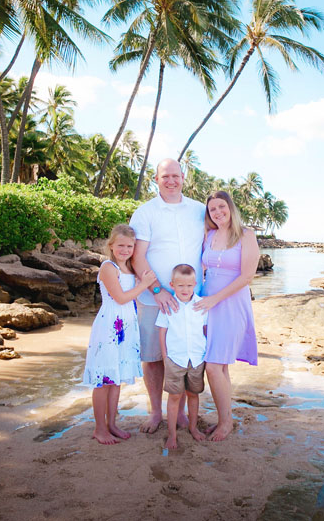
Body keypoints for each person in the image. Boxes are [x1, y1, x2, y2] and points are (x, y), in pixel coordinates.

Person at [130, 159, 206, 433]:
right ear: (156, 179)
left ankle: (182, 412)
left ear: (183, 178)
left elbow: (222, 235)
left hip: (191, 301)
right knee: (153, 358)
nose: (171, 181)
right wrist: (158, 290)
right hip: (154, 299)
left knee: (184, 356)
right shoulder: (145, 213)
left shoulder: (199, 210)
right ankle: (154, 412)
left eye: (176, 176)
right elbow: (137, 258)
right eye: (165, 177)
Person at [193, 191, 259, 441]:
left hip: (231, 305)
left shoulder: (246, 235)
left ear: (231, 207)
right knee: (219, 366)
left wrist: (214, 300)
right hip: (208, 304)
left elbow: (247, 276)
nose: (218, 212)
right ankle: (225, 416)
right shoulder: (208, 235)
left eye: (222, 206)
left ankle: (226, 422)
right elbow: (201, 268)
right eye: (212, 210)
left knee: (212, 366)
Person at [80, 224, 155, 444]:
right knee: (103, 379)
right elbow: (121, 298)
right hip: (110, 328)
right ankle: (99, 428)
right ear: (111, 245)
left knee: (115, 379)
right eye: (121, 245)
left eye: (130, 246)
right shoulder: (108, 267)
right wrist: (145, 284)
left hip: (127, 328)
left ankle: (112, 424)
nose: (125, 249)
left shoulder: (130, 268)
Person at [155, 264, 208, 450]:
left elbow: (205, 330)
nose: (185, 290)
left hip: (197, 358)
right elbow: (162, 332)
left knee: (193, 394)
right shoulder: (168, 306)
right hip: (175, 359)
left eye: (189, 286)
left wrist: (207, 352)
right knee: (174, 396)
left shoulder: (201, 305)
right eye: (180, 286)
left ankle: (193, 428)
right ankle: (172, 435)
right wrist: (164, 356)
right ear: (172, 285)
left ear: (195, 284)